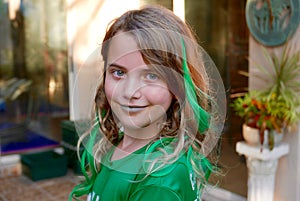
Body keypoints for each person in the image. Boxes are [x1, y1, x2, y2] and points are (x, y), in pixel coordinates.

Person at [69, 5, 225, 201]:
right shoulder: (121, 143)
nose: (129, 92)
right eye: (119, 72)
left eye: (151, 75)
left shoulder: (157, 180)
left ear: (177, 86)